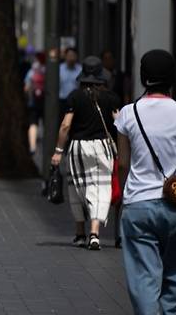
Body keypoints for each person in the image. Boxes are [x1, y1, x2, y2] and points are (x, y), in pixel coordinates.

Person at [114, 49, 176, 314]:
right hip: (175, 207)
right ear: (171, 78)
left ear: (144, 77)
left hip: (138, 205)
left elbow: (122, 163)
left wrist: (122, 199)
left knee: (144, 280)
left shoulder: (128, 114)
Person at [51, 56, 120, 250]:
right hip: (101, 147)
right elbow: (120, 124)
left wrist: (58, 150)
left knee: (77, 187)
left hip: (77, 147)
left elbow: (65, 126)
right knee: (100, 188)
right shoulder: (110, 97)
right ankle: (95, 233)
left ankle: (80, 233)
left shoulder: (74, 96)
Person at [24, 52, 46, 155]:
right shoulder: (51, 69)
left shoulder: (33, 70)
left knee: (33, 123)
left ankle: (32, 147)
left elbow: (27, 87)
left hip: (34, 101)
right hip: (47, 102)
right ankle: (49, 144)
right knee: (48, 124)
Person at [59, 47, 82, 118]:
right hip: (62, 101)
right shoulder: (59, 69)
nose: (71, 58)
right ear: (65, 56)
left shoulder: (80, 69)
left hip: (76, 102)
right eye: (69, 56)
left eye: (73, 56)